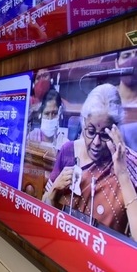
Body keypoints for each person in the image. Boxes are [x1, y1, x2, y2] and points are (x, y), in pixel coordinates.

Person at [42, 84, 137, 240]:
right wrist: (54, 190)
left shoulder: (129, 165)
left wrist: (122, 173)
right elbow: (43, 208)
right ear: (83, 124)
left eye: (105, 135)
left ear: (116, 131)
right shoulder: (68, 152)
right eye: (91, 132)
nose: (96, 142)